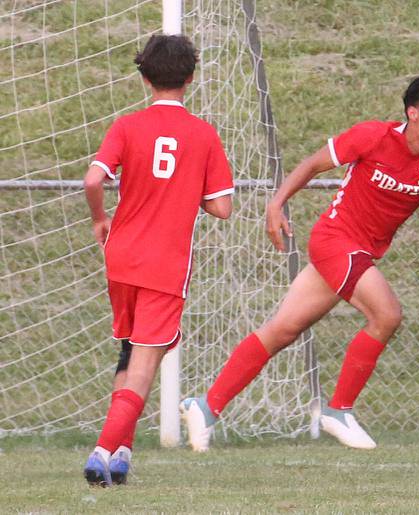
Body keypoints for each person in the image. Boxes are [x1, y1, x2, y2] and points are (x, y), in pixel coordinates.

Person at [181, 74, 419, 451]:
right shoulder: (372, 136)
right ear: (412, 113)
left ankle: (205, 406)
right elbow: (312, 165)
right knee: (387, 315)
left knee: (282, 330)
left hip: (355, 254)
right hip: (334, 242)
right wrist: (275, 204)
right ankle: (338, 411)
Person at [82, 34, 234, 486]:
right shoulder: (203, 133)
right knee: (147, 360)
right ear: (190, 78)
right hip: (164, 265)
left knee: (133, 351)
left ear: (144, 76)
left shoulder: (127, 126)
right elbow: (222, 207)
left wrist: (99, 221)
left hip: (121, 257)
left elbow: (93, 180)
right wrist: (186, 191)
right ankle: (103, 451)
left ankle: (123, 452)